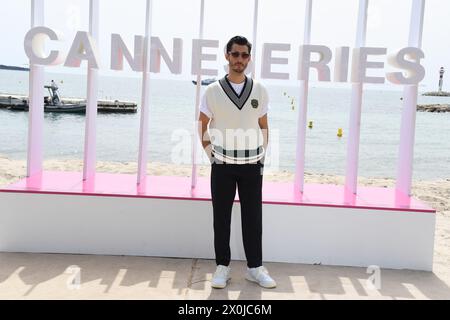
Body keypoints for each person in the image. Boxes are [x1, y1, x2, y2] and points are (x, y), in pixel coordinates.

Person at [198, 36, 276, 289]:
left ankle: (255, 268)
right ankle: (222, 267)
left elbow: (264, 126)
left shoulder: (260, 90)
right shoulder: (212, 91)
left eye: (244, 55)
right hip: (222, 165)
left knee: (253, 217)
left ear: (249, 58)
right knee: (221, 217)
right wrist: (212, 157)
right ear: (227, 56)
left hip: (252, 165)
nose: (239, 59)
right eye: (235, 54)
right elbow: (202, 125)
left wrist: (261, 158)